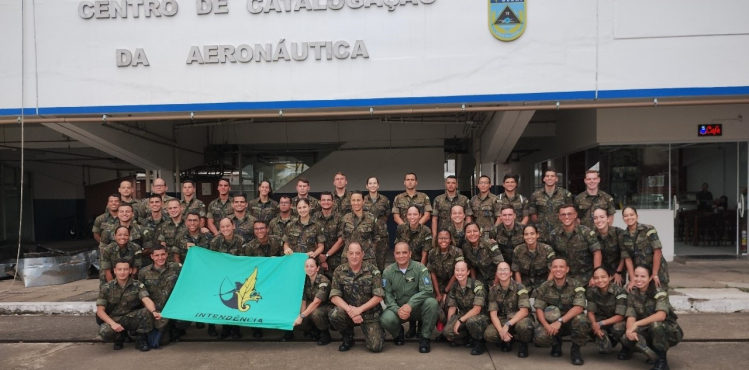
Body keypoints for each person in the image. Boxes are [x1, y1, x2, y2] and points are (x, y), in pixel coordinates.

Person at [621, 266, 683, 370]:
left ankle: (662, 363)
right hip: (647, 328)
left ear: (650, 278)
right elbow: (631, 315)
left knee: (656, 325)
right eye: (636, 276)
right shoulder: (633, 293)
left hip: (669, 331)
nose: (639, 279)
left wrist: (636, 324)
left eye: (643, 276)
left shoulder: (659, 292)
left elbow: (661, 316)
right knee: (625, 337)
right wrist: (630, 330)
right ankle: (652, 353)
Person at [380, 242, 438, 354]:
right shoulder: (388, 272)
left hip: (417, 309)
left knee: (432, 303)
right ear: (394, 254)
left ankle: (425, 338)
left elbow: (427, 290)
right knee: (385, 319)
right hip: (399, 309)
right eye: (398, 253)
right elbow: (387, 295)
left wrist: (410, 305)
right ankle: (398, 332)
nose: (401, 256)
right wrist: (397, 310)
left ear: (410, 254)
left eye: (404, 252)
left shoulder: (420, 268)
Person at [533, 257, 591, 366]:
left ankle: (575, 350)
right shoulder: (544, 286)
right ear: (551, 269)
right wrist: (546, 326)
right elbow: (539, 308)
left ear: (567, 269)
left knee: (581, 320)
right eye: (555, 267)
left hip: (569, 323)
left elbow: (579, 307)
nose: (558, 269)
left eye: (561, 267)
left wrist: (559, 321)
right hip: (551, 324)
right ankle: (556, 343)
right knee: (540, 337)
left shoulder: (576, 285)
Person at [329, 242, 385, 353]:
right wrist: (351, 311)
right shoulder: (339, 271)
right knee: (335, 314)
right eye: (351, 253)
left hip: (370, 314)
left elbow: (379, 296)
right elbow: (334, 296)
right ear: (347, 254)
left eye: (357, 253)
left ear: (363, 254)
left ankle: (376, 331)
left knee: (376, 347)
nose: (354, 256)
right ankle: (347, 336)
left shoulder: (373, 270)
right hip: (348, 313)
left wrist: (359, 310)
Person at [96, 259, 160, 351]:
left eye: (125, 269)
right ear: (115, 271)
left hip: (131, 317)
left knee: (146, 312)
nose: (122, 272)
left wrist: (154, 312)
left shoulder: (137, 285)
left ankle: (141, 340)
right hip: (114, 319)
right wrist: (113, 324)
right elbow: (100, 311)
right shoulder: (106, 288)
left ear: (130, 271)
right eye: (119, 269)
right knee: (105, 332)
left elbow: (146, 299)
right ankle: (119, 338)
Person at [137, 245, 186, 346]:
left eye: (163, 254)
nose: (160, 258)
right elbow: (142, 294)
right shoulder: (144, 272)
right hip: (155, 310)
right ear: (152, 256)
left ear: (167, 254)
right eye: (157, 255)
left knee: (183, 320)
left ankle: (174, 329)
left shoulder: (176, 268)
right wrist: (152, 312)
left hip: (172, 308)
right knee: (162, 341)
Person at [484, 262, 534, 358]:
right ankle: (506, 340)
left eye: (505, 269)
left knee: (524, 326)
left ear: (511, 273)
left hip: (519, 318)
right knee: (489, 335)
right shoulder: (493, 290)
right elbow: (493, 314)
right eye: (500, 270)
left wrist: (507, 325)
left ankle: (523, 344)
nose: (503, 272)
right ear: (497, 274)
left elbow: (524, 311)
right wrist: (501, 331)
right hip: (503, 318)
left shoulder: (520, 287)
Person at [207, 217, 244, 339]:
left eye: (228, 226)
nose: (225, 229)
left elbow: (244, 260)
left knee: (236, 302)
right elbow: (213, 260)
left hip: (237, 275)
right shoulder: (215, 242)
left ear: (233, 226)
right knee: (223, 301)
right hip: (221, 276)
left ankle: (236, 329)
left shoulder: (240, 240)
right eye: (222, 227)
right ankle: (225, 328)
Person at [443, 261, 490, 355]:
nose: (460, 273)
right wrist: (449, 325)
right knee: (447, 332)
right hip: (464, 315)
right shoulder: (454, 286)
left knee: (471, 321)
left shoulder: (477, 285)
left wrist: (460, 321)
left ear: (468, 272)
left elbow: (477, 309)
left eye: (462, 270)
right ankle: (468, 338)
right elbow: (452, 307)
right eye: (457, 270)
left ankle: (479, 343)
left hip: (480, 316)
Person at [549, 204, 602, 285]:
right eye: (563, 215)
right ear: (559, 217)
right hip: (564, 279)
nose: (566, 217)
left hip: (587, 278)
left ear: (575, 215)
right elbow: (553, 258)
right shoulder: (554, 234)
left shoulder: (586, 232)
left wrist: (596, 276)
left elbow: (597, 253)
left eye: (569, 214)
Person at [620, 206, 670, 290]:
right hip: (639, 276)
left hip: (656, 271)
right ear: (623, 218)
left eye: (631, 215)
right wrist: (632, 279)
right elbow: (627, 258)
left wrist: (654, 274)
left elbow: (657, 251)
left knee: (659, 297)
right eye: (626, 216)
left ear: (637, 216)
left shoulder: (648, 229)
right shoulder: (622, 236)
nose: (629, 218)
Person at [427, 229, 464, 340]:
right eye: (440, 238)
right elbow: (432, 273)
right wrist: (438, 293)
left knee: (449, 303)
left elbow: (456, 273)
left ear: (450, 239)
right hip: (437, 285)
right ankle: (443, 328)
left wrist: (446, 291)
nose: (443, 240)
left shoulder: (457, 252)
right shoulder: (432, 253)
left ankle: (449, 331)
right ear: (437, 239)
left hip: (453, 284)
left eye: (446, 238)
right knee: (434, 305)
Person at [288, 257, 333, 345]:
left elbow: (317, 302)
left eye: (312, 266)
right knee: (303, 318)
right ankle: (313, 329)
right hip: (314, 305)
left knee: (315, 313)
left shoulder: (323, 281)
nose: (309, 269)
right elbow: (304, 300)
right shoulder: (305, 281)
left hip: (327, 306)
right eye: (307, 266)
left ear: (317, 268)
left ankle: (325, 334)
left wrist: (302, 316)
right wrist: (302, 316)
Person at [586, 266, 627, 357]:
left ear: (610, 277)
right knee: (604, 350)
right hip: (602, 321)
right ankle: (603, 336)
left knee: (618, 327)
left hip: (616, 321)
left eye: (603, 277)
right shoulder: (592, 292)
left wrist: (599, 324)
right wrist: (594, 324)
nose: (600, 280)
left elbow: (620, 316)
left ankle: (625, 346)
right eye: (596, 278)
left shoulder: (619, 291)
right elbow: (590, 312)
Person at [339, 191, 387, 266]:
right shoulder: (345, 218)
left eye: (358, 200)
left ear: (363, 201)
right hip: (348, 258)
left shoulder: (371, 218)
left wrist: (371, 251)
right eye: (353, 200)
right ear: (350, 202)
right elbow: (343, 236)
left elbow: (376, 237)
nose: (356, 203)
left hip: (367, 257)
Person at [529, 168, 573, 243]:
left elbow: (570, 213)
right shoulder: (536, 195)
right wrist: (543, 223)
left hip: (560, 233)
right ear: (544, 179)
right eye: (547, 176)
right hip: (542, 234)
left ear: (556, 179)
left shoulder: (565, 194)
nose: (550, 178)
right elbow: (533, 215)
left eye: (552, 176)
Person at [512, 224, 555, 296]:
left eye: (532, 234)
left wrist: (546, 288)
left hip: (543, 284)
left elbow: (552, 271)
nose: (529, 237)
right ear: (523, 236)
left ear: (537, 235)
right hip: (525, 284)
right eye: (526, 234)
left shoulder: (547, 250)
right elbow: (517, 271)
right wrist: (520, 289)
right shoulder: (518, 250)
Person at [461, 223, 504, 289]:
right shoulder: (465, 248)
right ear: (465, 235)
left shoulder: (489, 244)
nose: (472, 234)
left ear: (480, 233)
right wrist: (473, 283)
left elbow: (500, 265)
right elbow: (471, 267)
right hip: (481, 279)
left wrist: (495, 285)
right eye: (469, 232)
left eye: (475, 231)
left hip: (497, 278)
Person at [363, 176, 391, 272]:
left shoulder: (384, 200)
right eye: (370, 183)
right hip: (368, 236)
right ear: (367, 186)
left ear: (378, 185)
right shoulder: (363, 200)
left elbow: (386, 215)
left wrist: (379, 225)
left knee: (380, 264)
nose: (372, 185)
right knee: (367, 264)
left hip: (382, 236)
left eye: (374, 183)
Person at [432, 175, 472, 241]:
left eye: (453, 183)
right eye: (448, 183)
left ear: (457, 185)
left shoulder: (464, 199)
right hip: (444, 234)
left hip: (461, 234)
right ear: (445, 184)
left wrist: (467, 232)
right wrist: (434, 235)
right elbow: (434, 218)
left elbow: (468, 217)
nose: (450, 185)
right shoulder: (438, 199)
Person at [593, 208, 626, 286]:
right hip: (599, 274)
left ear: (608, 219)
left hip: (617, 272)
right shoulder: (591, 235)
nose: (598, 220)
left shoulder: (618, 232)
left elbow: (624, 254)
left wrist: (619, 272)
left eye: (602, 217)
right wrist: (596, 275)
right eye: (595, 218)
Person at [314, 192, 345, 276]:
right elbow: (312, 238)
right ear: (319, 202)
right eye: (323, 200)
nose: (326, 202)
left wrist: (326, 256)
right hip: (317, 260)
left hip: (336, 260)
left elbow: (341, 240)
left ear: (333, 202)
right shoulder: (314, 218)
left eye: (328, 200)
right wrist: (321, 257)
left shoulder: (340, 218)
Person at [155, 199, 186, 263]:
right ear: (167, 210)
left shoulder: (189, 224)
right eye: (170, 208)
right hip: (170, 264)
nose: (173, 210)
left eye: (175, 207)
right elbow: (161, 246)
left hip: (187, 261)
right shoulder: (163, 226)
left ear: (181, 208)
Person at [469, 175, 500, 239]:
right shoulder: (473, 199)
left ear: (490, 185)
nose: (483, 185)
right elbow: (470, 217)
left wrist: (493, 231)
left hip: (490, 234)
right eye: (481, 183)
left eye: (486, 183)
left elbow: (499, 218)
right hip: (475, 234)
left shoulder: (495, 199)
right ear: (478, 185)